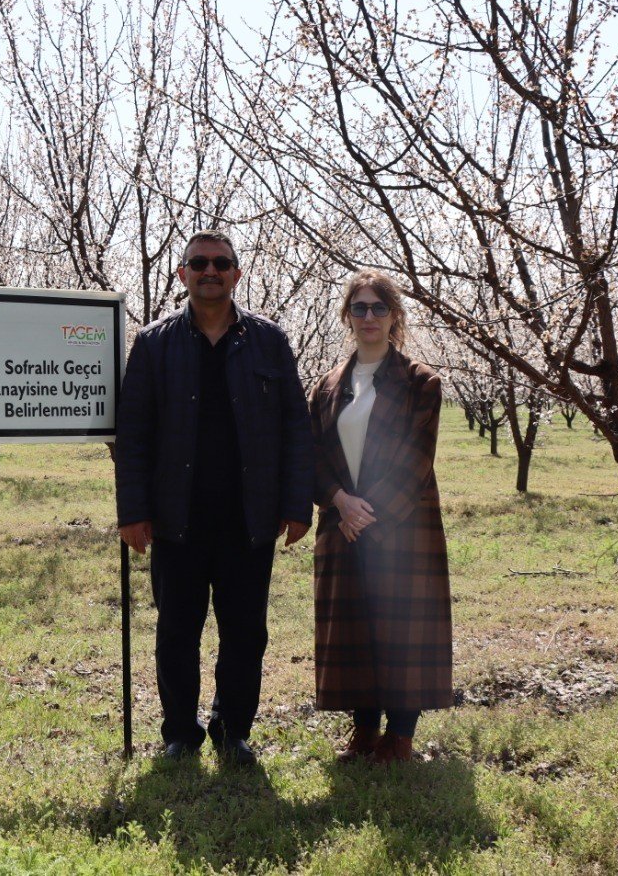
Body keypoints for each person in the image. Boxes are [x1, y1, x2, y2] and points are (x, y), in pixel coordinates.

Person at [115, 229, 313, 766]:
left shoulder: (268, 340)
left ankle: (233, 730)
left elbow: (296, 425)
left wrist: (298, 505)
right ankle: (180, 731)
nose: (210, 271)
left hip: (250, 518)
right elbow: (132, 434)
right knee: (177, 629)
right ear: (182, 274)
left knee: (246, 632)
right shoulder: (154, 344)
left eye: (221, 263)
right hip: (176, 517)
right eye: (199, 262)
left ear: (237, 274)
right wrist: (132, 512)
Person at [308, 270, 452, 764]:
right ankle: (364, 731)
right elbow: (315, 457)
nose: (369, 317)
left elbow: (416, 459)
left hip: (402, 527)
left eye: (379, 308)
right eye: (359, 308)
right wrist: (338, 502)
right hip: (342, 526)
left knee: (403, 629)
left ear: (395, 316)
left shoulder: (420, 383)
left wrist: (368, 513)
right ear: (347, 317)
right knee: (356, 630)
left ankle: (402, 737)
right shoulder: (326, 387)